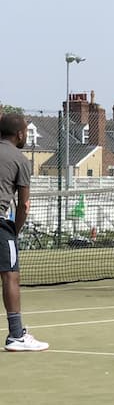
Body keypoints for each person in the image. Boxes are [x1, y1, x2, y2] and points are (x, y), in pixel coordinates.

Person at [1, 114, 46, 352]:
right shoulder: (20, 160)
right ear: (19, 134)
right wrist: (14, 233)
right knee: (10, 276)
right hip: (1, 226)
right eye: (26, 132)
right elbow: (24, 206)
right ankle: (16, 335)